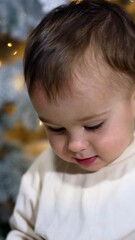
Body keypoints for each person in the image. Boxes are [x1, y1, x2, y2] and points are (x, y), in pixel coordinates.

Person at [6, 0, 135, 239]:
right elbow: (23, 233)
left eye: (93, 125)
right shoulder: (44, 171)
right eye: (56, 128)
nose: (75, 145)